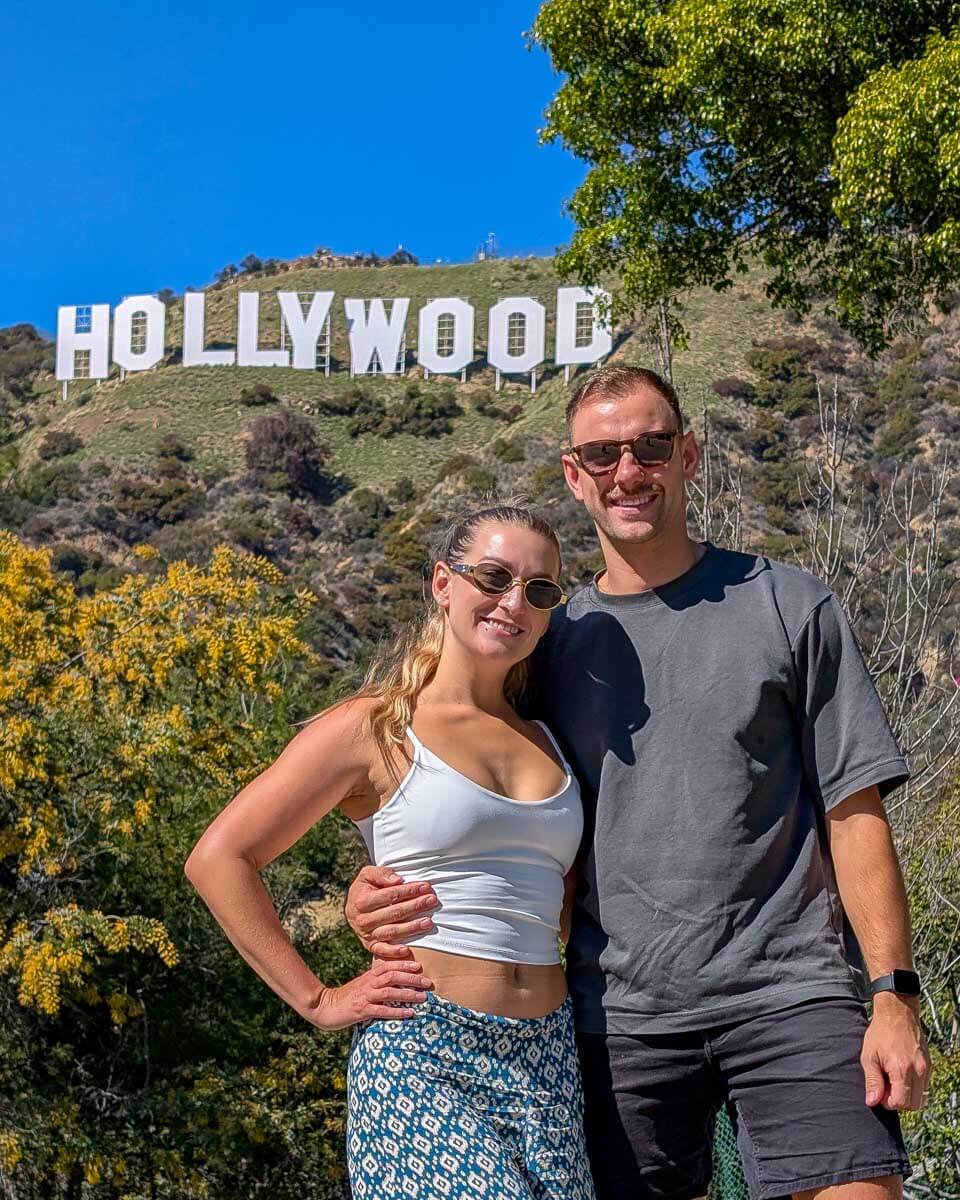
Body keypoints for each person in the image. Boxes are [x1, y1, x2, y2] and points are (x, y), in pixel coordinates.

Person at [345, 365, 932, 1200]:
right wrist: (374, 887)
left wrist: (893, 996)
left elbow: (855, 810)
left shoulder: (790, 606)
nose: (629, 471)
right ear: (573, 473)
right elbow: (461, 794)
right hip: (617, 1021)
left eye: (651, 447)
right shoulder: (546, 641)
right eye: (603, 453)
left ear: (688, 456)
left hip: (793, 997)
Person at [184, 504, 597, 1200]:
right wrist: (318, 999)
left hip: (548, 1059)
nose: (513, 603)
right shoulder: (375, 726)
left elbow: (558, 905)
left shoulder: (550, 738)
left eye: (539, 590)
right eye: (493, 577)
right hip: (425, 1052)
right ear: (443, 583)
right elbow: (220, 858)